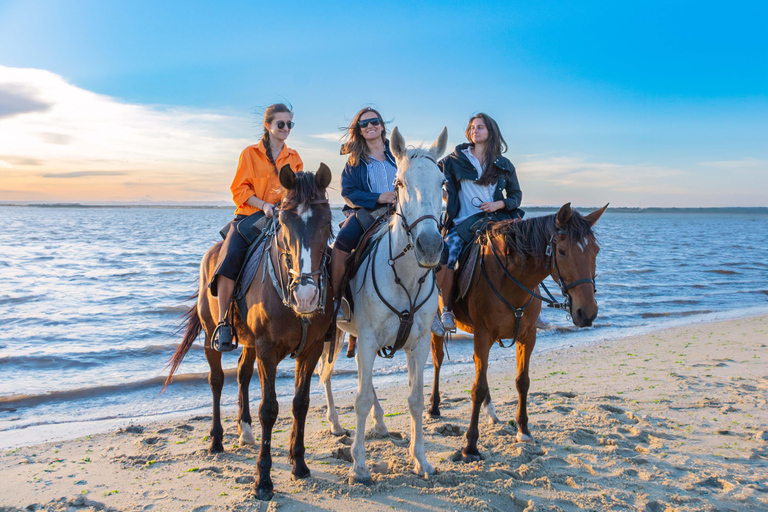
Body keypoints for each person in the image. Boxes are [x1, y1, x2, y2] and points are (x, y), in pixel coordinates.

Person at [210, 103, 304, 350]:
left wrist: (287, 206)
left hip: (282, 217)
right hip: (251, 216)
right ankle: (223, 324)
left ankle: (319, 317)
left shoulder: (294, 158)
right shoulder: (249, 154)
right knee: (229, 259)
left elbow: (298, 190)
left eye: (289, 124)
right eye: (280, 124)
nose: (285, 128)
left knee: (313, 252)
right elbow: (239, 189)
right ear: (268, 125)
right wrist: (264, 205)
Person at [434, 113, 524, 335]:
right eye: (472, 127)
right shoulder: (452, 161)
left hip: (496, 220)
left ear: (490, 132)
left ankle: (531, 309)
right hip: (463, 222)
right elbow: (431, 179)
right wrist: (447, 196)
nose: (475, 131)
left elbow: (516, 195)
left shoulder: (504, 164)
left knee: (526, 247)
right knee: (448, 254)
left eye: (481, 127)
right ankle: (444, 310)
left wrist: (498, 204)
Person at [330, 107, 398, 319]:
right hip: (366, 214)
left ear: (382, 125)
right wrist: (378, 198)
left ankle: (436, 306)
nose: (370, 126)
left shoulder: (398, 154)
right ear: (359, 130)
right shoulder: (354, 161)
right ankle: (336, 299)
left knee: (431, 243)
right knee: (340, 246)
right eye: (364, 124)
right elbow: (348, 193)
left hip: (400, 213)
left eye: (374, 122)